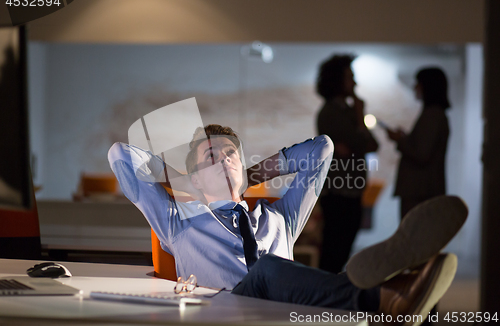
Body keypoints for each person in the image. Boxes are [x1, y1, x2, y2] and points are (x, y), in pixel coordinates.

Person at [108, 123, 467, 325]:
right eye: (211, 156)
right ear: (196, 179)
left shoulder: (280, 216)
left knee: (302, 278)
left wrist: (252, 175)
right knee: (266, 271)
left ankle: (395, 286)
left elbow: (321, 149)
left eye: (230, 153)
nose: (224, 158)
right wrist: (185, 181)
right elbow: (121, 156)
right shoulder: (178, 222)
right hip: (223, 315)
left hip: (289, 316)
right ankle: (385, 296)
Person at [316, 54, 379, 274]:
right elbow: (360, 142)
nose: (355, 83)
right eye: (350, 77)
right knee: (334, 251)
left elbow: (371, 145)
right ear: (337, 80)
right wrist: (360, 118)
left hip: (352, 189)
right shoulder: (330, 113)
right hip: (338, 190)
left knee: (343, 249)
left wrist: (356, 136)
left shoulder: (348, 113)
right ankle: (322, 301)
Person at [386, 67, 450, 219]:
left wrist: (400, 140)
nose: (415, 87)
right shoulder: (435, 115)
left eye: (418, 83)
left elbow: (422, 154)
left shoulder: (432, 115)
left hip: (420, 190)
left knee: (414, 237)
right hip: (423, 189)